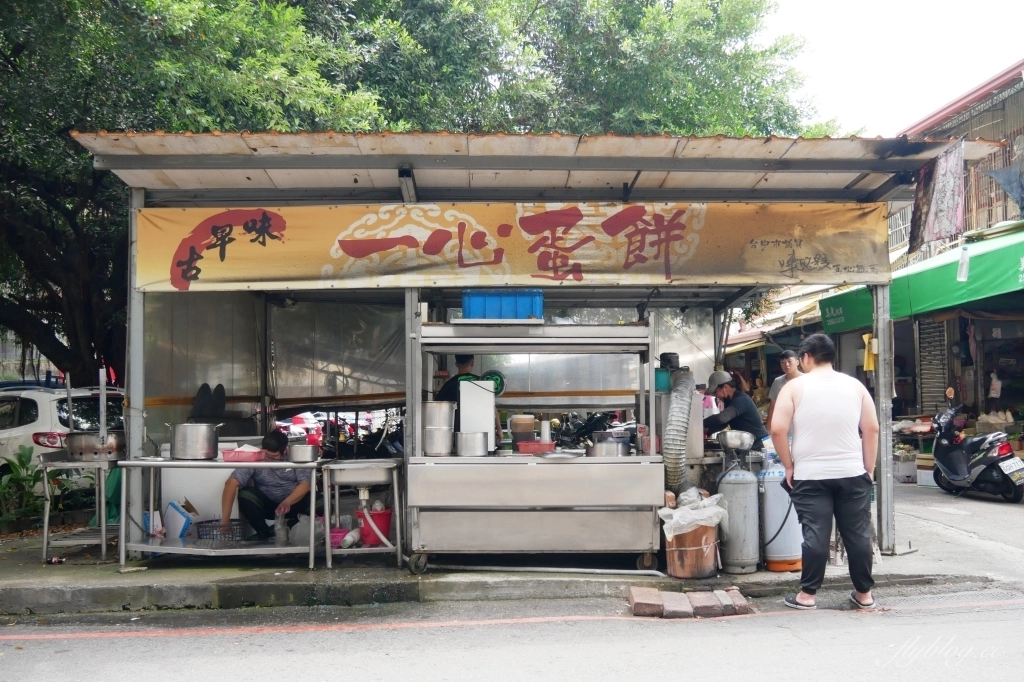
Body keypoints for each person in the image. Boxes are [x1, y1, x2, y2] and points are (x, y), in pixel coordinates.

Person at [770, 333, 879, 611]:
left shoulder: (794, 387)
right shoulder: (855, 386)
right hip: (853, 473)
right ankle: (864, 594)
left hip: (810, 475)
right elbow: (872, 429)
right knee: (857, 534)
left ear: (805, 358)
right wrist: (868, 468)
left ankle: (808, 595)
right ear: (832, 357)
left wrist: (789, 465)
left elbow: (778, 429)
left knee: (815, 534)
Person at [221, 430, 312, 541]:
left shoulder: (296, 457)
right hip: (268, 506)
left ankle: (294, 526)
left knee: (320, 502)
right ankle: (264, 533)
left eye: (274, 456)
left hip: (293, 504)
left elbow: (305, 484)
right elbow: (231, 483)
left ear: (285, 451)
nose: (269, 459)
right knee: (245, 494)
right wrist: (225, 519)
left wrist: (287, 501)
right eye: (267, 455)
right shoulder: (256, 458)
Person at [436, 354, 503, 441]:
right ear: (472, 363)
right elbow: (492, 407)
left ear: (456, 364)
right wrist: (499, 429)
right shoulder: (481, 383)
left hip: (454, 438)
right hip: (479, 436)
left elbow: (439, 411)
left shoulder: (447, 386)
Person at [702, 370, 770, 448]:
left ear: (725, 387)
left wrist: (700, 424)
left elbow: (721, 418)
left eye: (715, 392)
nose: (716, 396)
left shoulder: (741, 399)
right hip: (748, 444)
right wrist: (708, 431)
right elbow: (725, 423)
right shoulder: (729, 401)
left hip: (759, 444)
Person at [766, 350, 802, 431]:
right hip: (784, 425)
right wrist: (769, 424)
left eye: (789, 361)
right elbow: (773, 405)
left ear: (797, 362)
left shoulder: (807, 380)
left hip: (803, 424)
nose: (786, 365)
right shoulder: (777, 382)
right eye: (783, 362)